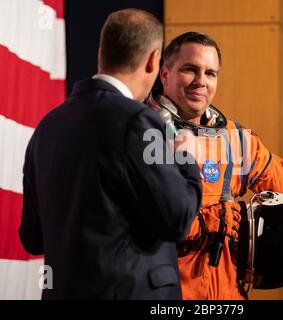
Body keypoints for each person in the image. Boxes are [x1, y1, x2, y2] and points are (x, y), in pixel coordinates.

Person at [149, 32, 283, 300]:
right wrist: (205, 221)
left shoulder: (236, 142)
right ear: (165, 75)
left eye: (210, 73)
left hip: (226, 294)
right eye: (190, 69)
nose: (201, 81)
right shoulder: (140, 134)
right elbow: (126, 220)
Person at [19, 9, 202, 300]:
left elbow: (32, 238)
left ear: (102, 52)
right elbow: (178, 219)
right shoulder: (137, 122)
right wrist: (185, 158)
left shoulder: (46, 128)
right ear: (154, 60)